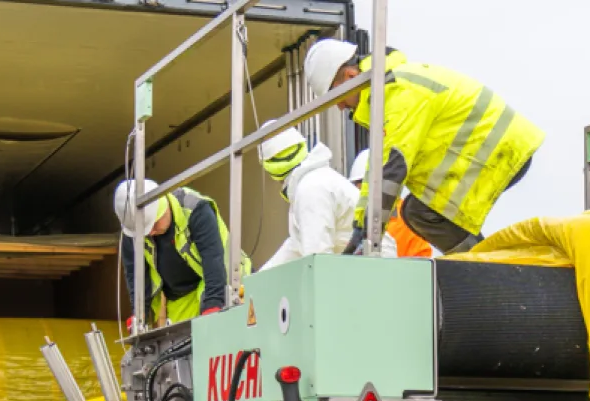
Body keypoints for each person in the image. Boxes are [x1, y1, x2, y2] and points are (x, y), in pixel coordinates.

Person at [302, 36, 541, 255]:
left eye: (337, 98)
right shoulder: (386, 95)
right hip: (490, 149)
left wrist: (370, 233)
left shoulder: (397, 92)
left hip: (497, 149)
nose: (340, 108)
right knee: (422, 211)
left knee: (421, 212)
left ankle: (485, 269)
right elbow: (376, 172)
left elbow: (393, 168)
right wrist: (359, 226)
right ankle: (485, 264)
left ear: (351, 78)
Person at [113, 180, 244, 324]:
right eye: (145, 231)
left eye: (154, 224)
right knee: (182, 345)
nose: (151, 232)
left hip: (227, 281)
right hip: (181, 299)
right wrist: (139, 315)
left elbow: (213, 258)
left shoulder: (195, 210)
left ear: (164, 208)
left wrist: (213, 305)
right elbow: (136, 276)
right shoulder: (133, 233)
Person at [259, 128, 358, 269]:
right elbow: (295, 247)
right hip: (366, 268)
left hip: (372, 272)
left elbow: (318, 258)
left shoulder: (310, 189)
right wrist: (257, 280)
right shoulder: (313, 182)